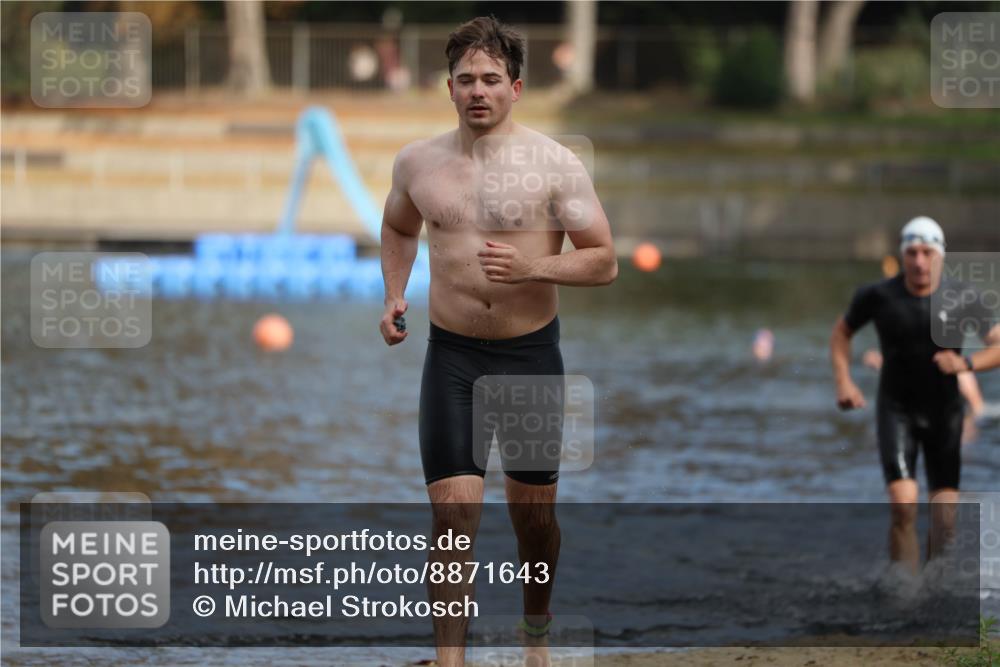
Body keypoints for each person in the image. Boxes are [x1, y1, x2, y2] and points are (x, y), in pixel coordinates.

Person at [378, 16, 617, 667]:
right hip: (451, 355)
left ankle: (535, 632)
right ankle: (450, 660)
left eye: (490, 79)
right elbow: (398, 228)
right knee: (454, 516)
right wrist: (395, 294)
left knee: (533, 522)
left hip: (529, 356)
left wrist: (533, 267)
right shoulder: (418, 163)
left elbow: (604, 260)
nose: (477, 90)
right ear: (448, 88)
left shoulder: (554, 165)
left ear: (515, 86)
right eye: (465, 80)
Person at [830, 216, 1000, 576]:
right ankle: (904, 592)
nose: (920, 261)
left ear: (940, 255)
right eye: (912, 252)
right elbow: (841, 333)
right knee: (903, 508)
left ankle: (934, 590)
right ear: (902, 255)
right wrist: (844, 381)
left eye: (927, 252)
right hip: (897, 410)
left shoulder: (964, 297)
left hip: (945, 415)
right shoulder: (877, 296)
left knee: (945, 520)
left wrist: (964, 362)